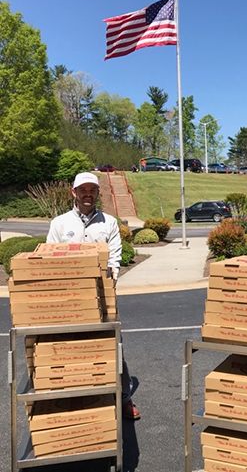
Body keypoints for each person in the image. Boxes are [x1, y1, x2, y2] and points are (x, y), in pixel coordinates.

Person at [46, 172, 140, 420]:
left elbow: (115, 258)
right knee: (70, 347)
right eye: (83, 190)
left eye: (92, 190)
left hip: (103, 296)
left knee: (113, 346)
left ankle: (124, 400)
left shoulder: (108, 223)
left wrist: (108, 285)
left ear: (98, 193)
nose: (88, 194)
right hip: (67, 299)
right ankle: (74, 398)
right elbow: (50, 258)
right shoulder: (59, 224)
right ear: (73, 192)